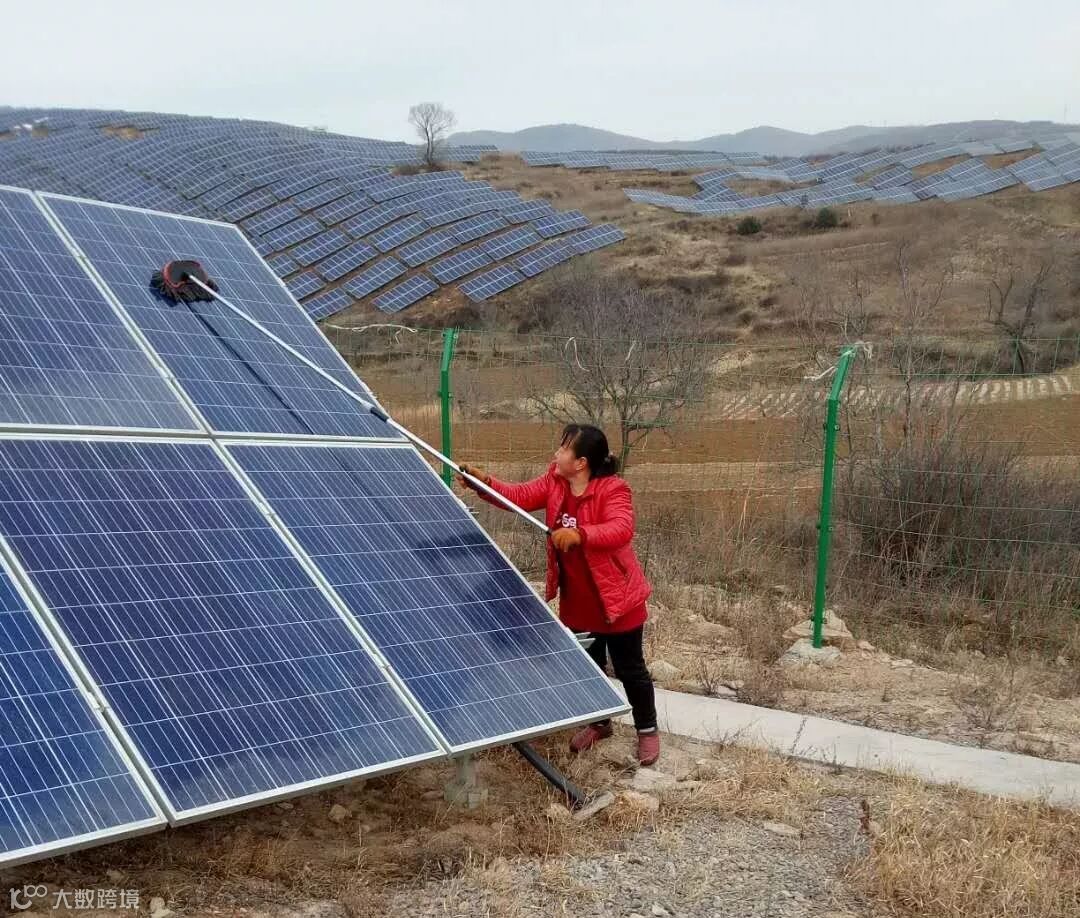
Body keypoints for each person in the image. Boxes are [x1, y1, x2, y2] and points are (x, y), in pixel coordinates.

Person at [457, 424, 659, 766]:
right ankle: (599, 723)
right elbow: (519, 496)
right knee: (589, 667)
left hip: (617, 600)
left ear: (581, 463)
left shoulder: (613, 489)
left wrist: (580, 534)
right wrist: (485, 484)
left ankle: (647, 730)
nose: (556, 454)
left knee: (630, 669)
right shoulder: (555, 481)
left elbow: (621, 528)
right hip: (578, 601)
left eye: (563, 449)